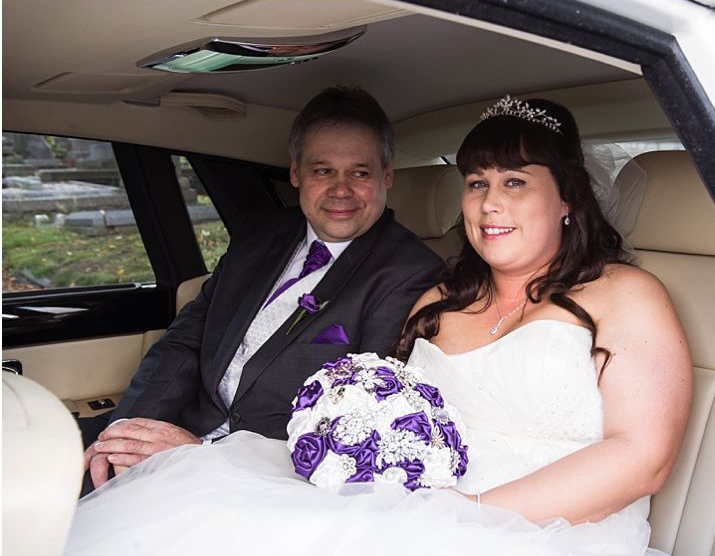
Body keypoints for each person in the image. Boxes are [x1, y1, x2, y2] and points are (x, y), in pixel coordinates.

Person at [56, 96, 692, 556]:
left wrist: (466, 513)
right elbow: (367, 411)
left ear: (567, 199)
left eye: (515, 182)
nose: (489, 204)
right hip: (402, 507)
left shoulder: (625, 294)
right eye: (476, 184)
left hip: (545, 536)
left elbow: (642, 457)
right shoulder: (440, 301)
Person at [82, 85, 445, 489]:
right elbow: (186, 341)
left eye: (360, 173)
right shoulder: (258, 233)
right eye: (322, 171)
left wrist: (202, 457)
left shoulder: (413, 274)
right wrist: (125, 433)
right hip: (179, 430)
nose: (341, 190)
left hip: (273, 479)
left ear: (386, 177)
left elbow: (358, 420)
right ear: (295, 174)